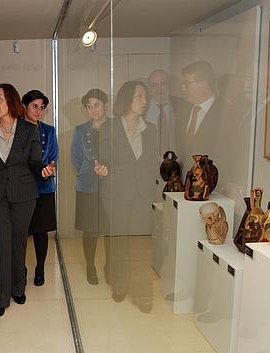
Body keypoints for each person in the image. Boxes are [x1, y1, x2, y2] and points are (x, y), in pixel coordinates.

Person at [0, 83, 55, 317]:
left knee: (18, 242)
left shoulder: (28, 130)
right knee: (0, 243)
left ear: (11, 101)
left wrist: (43, 170)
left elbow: (34, 161)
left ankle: (17, 287)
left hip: (23, 194)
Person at [95, 80, 156, 311]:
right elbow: (102, 158)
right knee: (119, 241)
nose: (144, 101)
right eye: (139, 96)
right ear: (127, 99)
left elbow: (152, 162)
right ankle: (119, 284)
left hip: (142, 194)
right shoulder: (109, 128)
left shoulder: (151, 129)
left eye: (145, 97)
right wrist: (102, 169)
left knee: (140, 243)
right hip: (116, 193)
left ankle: (142, 293)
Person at [70, 88, 109, 285]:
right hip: (88, 186)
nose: (93, 109)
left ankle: (110, 266)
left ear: (105, 105)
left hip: (112, 187)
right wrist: (88, 170)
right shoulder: (80, 130)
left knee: (112, 228)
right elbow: (75, 159)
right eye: (89, 106)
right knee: (90, 230)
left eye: (97, 105)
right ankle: (90, 266)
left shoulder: (116, 127)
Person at [22, 90, 57, 287]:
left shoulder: (49, 131)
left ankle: (40, 268)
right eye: (34, 106)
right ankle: (21, 268)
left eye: (42, 107)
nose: (38, 110)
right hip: (21, 189)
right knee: (21, 232)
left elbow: (51, 157)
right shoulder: (16, 128)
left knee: (41, 232)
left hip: (43, 188)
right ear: (24, 106)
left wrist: (46, 169)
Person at [145, 69, 188, 156]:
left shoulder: (183, 105)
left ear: (169, 85)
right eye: (154, 85)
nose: (159, 89)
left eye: (163, 84)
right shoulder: (142, 108)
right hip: (149, 163)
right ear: (149, 88)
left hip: (177, 163)